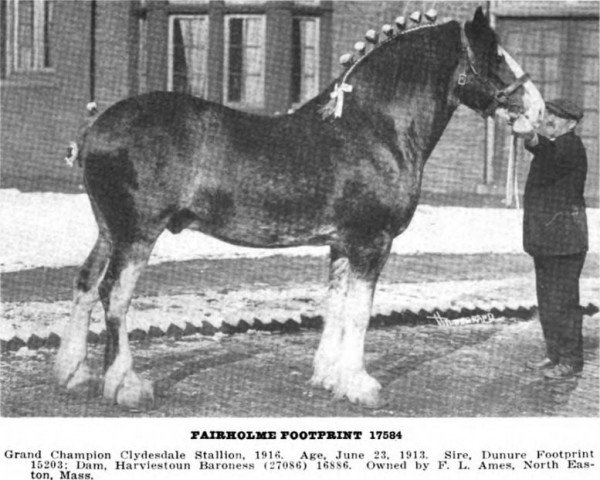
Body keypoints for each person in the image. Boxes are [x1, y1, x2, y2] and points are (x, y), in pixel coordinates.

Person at [512, 98, 588, 380]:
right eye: (550, 114)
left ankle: (570, 360)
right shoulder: (557, 146)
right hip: (548, 240)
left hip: (565, 241)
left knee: (564, 302)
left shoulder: (570, 146)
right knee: (548, 301)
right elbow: (547, 153)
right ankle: (554, 354)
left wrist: (531, 137)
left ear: (572, 123)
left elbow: (550, 154)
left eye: (558, 116)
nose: (551, 119)